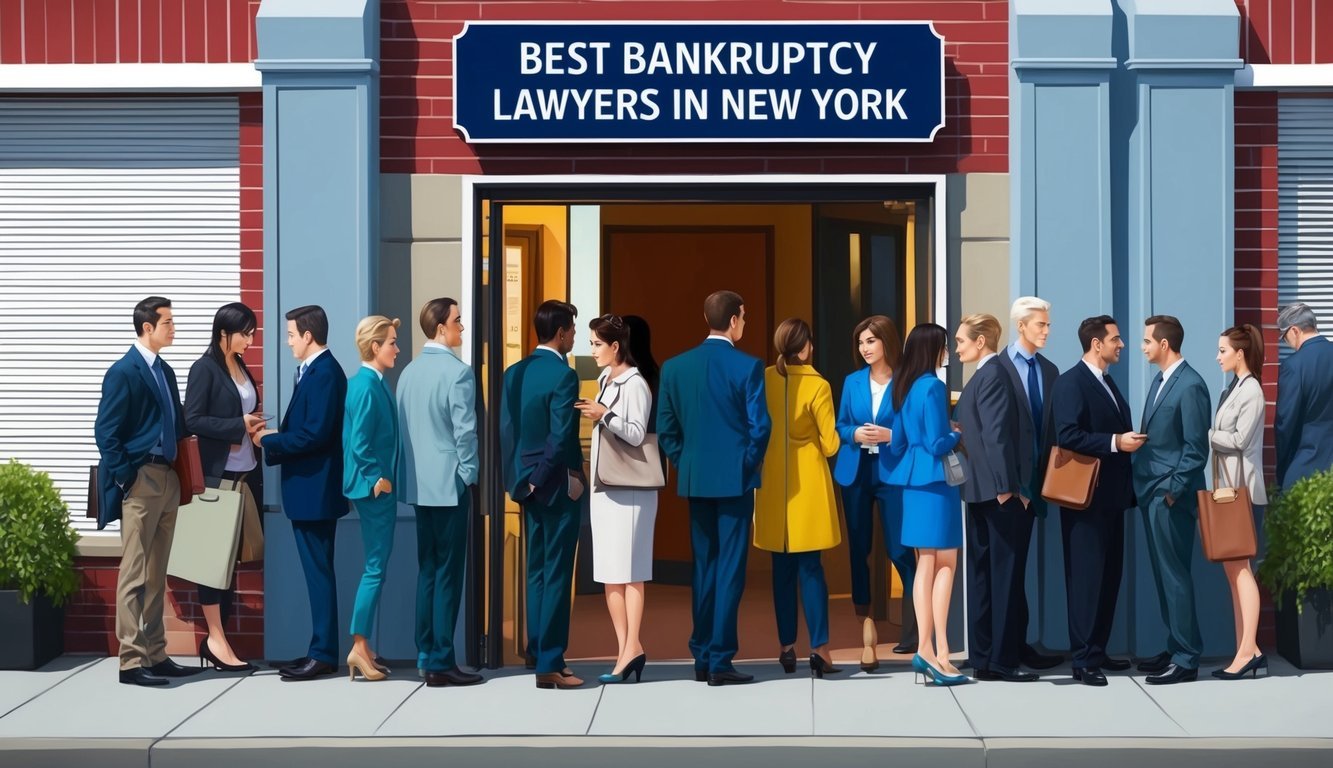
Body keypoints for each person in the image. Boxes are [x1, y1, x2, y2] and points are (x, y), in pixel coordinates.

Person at [658, 290, 771, 687]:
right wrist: (742, 465)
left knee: (703, 567)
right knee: (729, 569)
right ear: (736, 319)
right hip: (734, 481)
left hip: (695, 478)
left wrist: (685, 462)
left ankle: (702, 654)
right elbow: (761, 428)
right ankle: (720, 659)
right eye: (745, 316)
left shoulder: (674, 367)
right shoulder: (748, 366)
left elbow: (667, 430)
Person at [94, 296, 203, 686]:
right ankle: (130, 661)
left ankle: (156, 654)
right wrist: (128, 478)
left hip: (169, 479)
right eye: (168, 323)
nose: (174, 328)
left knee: (157, 573)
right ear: (147, 328)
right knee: (135, 574)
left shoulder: (166, 370)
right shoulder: (123, 372)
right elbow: (106, 433)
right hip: (142, 482)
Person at [252, 305, 348, 681]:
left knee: (319, 573)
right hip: (310, 491)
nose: (288, 341)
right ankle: (318, 649)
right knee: (316, 573)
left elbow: (315, 434)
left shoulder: (325, 373)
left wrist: (269, 440)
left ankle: (323, 654)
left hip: (316, 492)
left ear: (308, 336)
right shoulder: (313, 371)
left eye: (292, 335)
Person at [1050, 315, 1142, 687]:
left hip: (1112, 497)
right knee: (1086, 579)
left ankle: (1098, 649)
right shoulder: (1071, 382)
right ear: (1096, 343)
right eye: (1116, 339)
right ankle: (1083, 659)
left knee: (1109, 577)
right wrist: (1116, 442)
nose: (1121, 345)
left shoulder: (1107, 383)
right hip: (1084, 499)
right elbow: (1068, 434)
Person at [500, 300, 587, 690]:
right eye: (571, 330)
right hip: (554, 487)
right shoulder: (563, 376)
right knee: (555, 574)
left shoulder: (514, 372)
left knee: (535, 570)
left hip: (525, 485)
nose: (572, 336)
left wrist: (519, 479)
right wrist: (539, 477)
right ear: (561, 333)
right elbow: (561, 435)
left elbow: (506, 432)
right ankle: (551, 662)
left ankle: (536, 650)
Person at [397, 298, 483, 687]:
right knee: (448, 573)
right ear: (439, 329)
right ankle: (443, 661)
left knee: (428, 571)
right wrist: (469, 474)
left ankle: (426, 653)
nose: (461, 328)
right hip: (449, 485)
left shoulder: (408, 373)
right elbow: (465, 432)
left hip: (418, 485)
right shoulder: (458, 373)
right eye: (457, 321)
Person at [754, 319, 843, 678]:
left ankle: (786, 647)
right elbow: (831, 442)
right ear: (805, 346)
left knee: (782, 573)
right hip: (808, 487)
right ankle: (820, 649)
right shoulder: (818, 385)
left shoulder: (764, 378)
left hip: (773, 486)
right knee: (811, 571)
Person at [575, 313, 658, 685]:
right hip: (606, 488)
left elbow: (638, 434)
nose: (592, 350)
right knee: (610, 574)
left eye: (596, 344)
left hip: (631, 493)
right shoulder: (607, 379)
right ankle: (627, 649)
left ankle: (630, 650)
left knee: (632, 573)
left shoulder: (636, 383)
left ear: (615, 346)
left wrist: (603, 413)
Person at [183, 302, 265, 673]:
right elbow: (193, 419)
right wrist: (238, 425)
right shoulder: (204, 369)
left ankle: (219, 639)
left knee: (230, 564)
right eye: (245, 332)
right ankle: (216, 640)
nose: (250, 339)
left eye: (252, 332)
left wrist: (255, 428)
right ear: (223, 334)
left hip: (245, 477)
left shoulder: (240, 365)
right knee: (212, 565)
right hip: (218, 480)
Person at [832, 314, 918, 671]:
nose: (865, 348)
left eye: (871, 341)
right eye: (861, 342)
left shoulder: (906, 381)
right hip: (856, 472)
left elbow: (915, 428)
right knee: (860, 551)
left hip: (893, 473)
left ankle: (914, 630)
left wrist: (889, 436)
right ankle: (865, 624)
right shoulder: (852, 381)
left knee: (901, 550)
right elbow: (840, 424)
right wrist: (854, 435)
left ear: (886, 342)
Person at [954, 314, 1036, 683]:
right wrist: (1007, 486)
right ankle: (1000, 661)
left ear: (982, 340)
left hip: (979, 492)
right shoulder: (994, 375)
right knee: (1002, 577)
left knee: (984, 576)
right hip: (997, 493)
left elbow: (986, 434)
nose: (957, 348)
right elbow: (996, 435)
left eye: (961, 341)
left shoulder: (981, 378)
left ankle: (985, 657)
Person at [1132, 315, 1210, 685]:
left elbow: (1195, 449)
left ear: (1164, 345)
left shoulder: (1190, 385)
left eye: (1148, 341)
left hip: (1170, 497)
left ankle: (1187, 658)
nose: (1143, 346)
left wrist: (1171, 492)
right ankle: (1175, 645)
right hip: (1153, 492)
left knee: (1175, 577)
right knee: (1165, 578)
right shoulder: (1161, 381)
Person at [887, 323, 966, 687]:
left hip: (912, 482)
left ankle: (926, 650)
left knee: (924, 564)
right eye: (944, 345)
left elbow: (898, 444)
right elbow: (938, 443)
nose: (947, 351)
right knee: (946, 563)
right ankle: (940, 652)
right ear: (934, 348)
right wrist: (955, 432)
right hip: (937, 482)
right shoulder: (933, 386)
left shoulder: (903, 387)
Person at [994, 296, 1062, 671]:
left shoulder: (1050, 370)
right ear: (1021, 326)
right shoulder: (999, 368)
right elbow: (995, 433)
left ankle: (1019, 645)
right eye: (1041, 324)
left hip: (1038, 487)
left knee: (1019, 570)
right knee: (1008, 572)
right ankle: (1005, 653)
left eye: (1048, 324)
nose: (1047, 330)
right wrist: (1010, 486)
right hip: (1008, 490)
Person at [342, 315, 402, 682]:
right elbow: (359, 443)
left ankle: (363, 646)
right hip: (374, 490)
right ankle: (359, 644)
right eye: (392, 342)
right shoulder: (365, 386)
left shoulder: (371, 383)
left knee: (376, 566)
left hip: (375, 488)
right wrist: (377, 480)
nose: (397, 348)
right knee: (376, 567)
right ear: (375, 346)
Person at [1209, 324, 1270, 680]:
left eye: (1222, 350)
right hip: (1229, 492)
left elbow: (1239, 440)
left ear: (1239, 353)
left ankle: (1247, 651)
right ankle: (1248, 649)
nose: (1218, 357)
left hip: (1243, 493)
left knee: (1242, 571)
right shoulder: (1234, 389)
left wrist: (1208, 434)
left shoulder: (1252, 392)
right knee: (1233, 572)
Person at [1274, 302, 1333, 491]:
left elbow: (1285, 424)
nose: (1286, 342)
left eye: (1284, 337)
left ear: (1294, 331)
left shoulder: (1294, 366)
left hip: (1305, 468)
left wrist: (1282, 467)